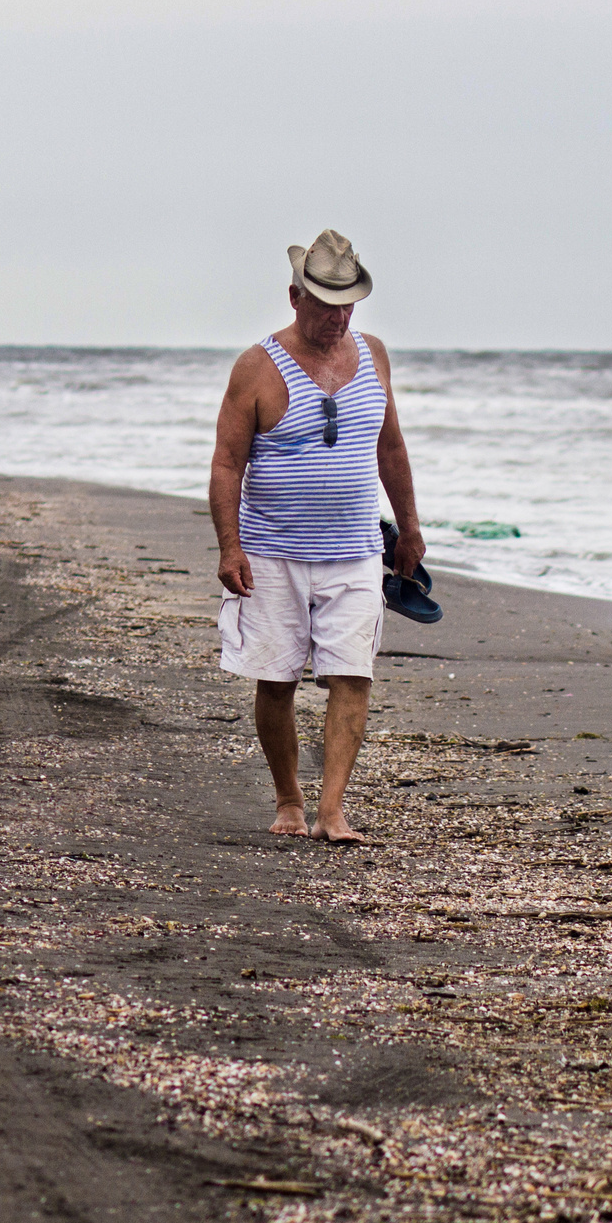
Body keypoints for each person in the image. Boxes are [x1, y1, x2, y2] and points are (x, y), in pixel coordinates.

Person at [209, 229, 426, 844]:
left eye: (347, 303)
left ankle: (332, 811)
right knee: (276, 680)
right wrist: (230, 547)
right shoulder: (256, 366)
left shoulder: (374, 355)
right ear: (294, 297)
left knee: (352, 674)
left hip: (356, 551)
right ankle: (289, 799)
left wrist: (409, 527)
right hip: (272, 552)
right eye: (325, 303)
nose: (337, 316)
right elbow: (227, 464)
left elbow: (390, 445)